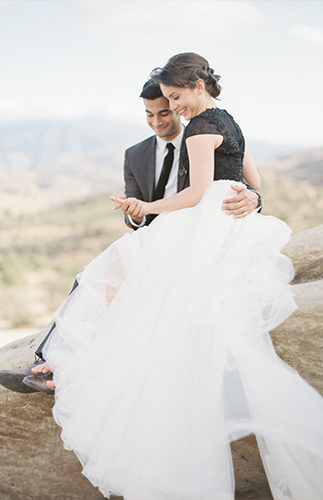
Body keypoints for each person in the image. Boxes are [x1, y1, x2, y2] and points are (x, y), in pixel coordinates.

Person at [24, 52, 323, 499]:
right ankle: (53, 360)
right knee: (116, 271)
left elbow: (200, 193)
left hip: (203, 223)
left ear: (199, 85)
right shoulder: (228, 121)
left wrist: (149, 210)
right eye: (164, 102)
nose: (174, 107)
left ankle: (66, 364)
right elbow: (252, 177)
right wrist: (251, 196)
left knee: (111, 270)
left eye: (176, 98)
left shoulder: (201, 128)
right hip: (226, 224)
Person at [0, 78, 262, 395]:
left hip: (193, 239)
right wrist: (135, 214)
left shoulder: (204, 134)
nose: (157, 121)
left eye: (164, 112)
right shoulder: (135, 155)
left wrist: (256, 199)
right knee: (88, 279)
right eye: (149, 114)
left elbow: (232, 182)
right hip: (156, 236)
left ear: (178, 106)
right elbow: (135, 211)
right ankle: (49, 361)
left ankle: (71, 369)